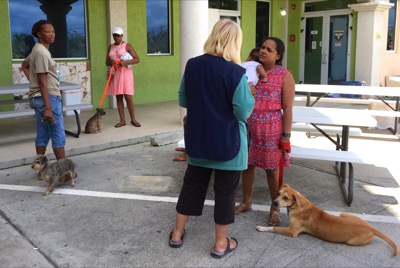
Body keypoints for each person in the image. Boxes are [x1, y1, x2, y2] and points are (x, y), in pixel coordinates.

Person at [169, 19, 254, 259]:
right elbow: (242, 112)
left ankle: (177, 234)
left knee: (191, 187)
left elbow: (184, 100)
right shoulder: (237, 73)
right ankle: (220, 244)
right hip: (229, 145)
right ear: (235, 42)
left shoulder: (193, 65)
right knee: (226, 193)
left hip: (199, 142)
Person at [235, 37, 295, 227]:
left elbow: (288, 107)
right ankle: (247, 202)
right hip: (249, 127)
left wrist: (286, 135)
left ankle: (275, 208)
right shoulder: (249, 71)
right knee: (247, 166)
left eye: (269, 50)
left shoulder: (284, 75)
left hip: (271, 130)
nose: (263, 51)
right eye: (262, 47)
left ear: (278, 56)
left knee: (272, 171)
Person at [21, 20, 66, 160]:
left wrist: (33, 83)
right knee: (58, 134)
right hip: (49, 98)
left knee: (42, 134)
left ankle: (41, 168)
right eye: (47, 31)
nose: (51, 34)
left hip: (38, 97)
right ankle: (63, 170)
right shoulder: (41, 53)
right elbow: (42, 80)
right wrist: (48, 107)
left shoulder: (37, 49)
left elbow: (24, 65)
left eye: (53, 31)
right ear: (39, 34)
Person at [106, 27, 141, 128]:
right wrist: (110, 62)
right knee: (118, 97)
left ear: (122, 36)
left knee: (128, 96)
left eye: (118, 35)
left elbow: (137, 59)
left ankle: (133, 119)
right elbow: (106, 62)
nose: (116, 37)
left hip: (126, 74)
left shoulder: (127, 46)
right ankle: (122, 120)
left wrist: (125, 62)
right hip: (116, 74)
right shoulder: (110, 47)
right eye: (114, 35)